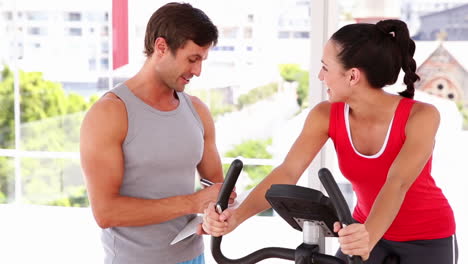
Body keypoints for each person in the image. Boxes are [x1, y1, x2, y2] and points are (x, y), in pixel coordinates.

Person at [202, 19, 458, 264]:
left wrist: (367, 238)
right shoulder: (325, 115)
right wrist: (236, 217)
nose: (320, 77)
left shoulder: (421, 116)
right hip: (364, 231)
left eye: (325, 68)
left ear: (352, 76)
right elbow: (288, 171)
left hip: (426, 237)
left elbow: (397, 182)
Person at [80, 3, 235, 264]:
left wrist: (217, 211)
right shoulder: (110, 113)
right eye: (192, 59)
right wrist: (192, 202)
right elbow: (105, 212)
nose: (198, 71)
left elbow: (215, 191)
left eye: (202, 60)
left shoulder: (198, 110)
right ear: (161, 47)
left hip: (194, 256)